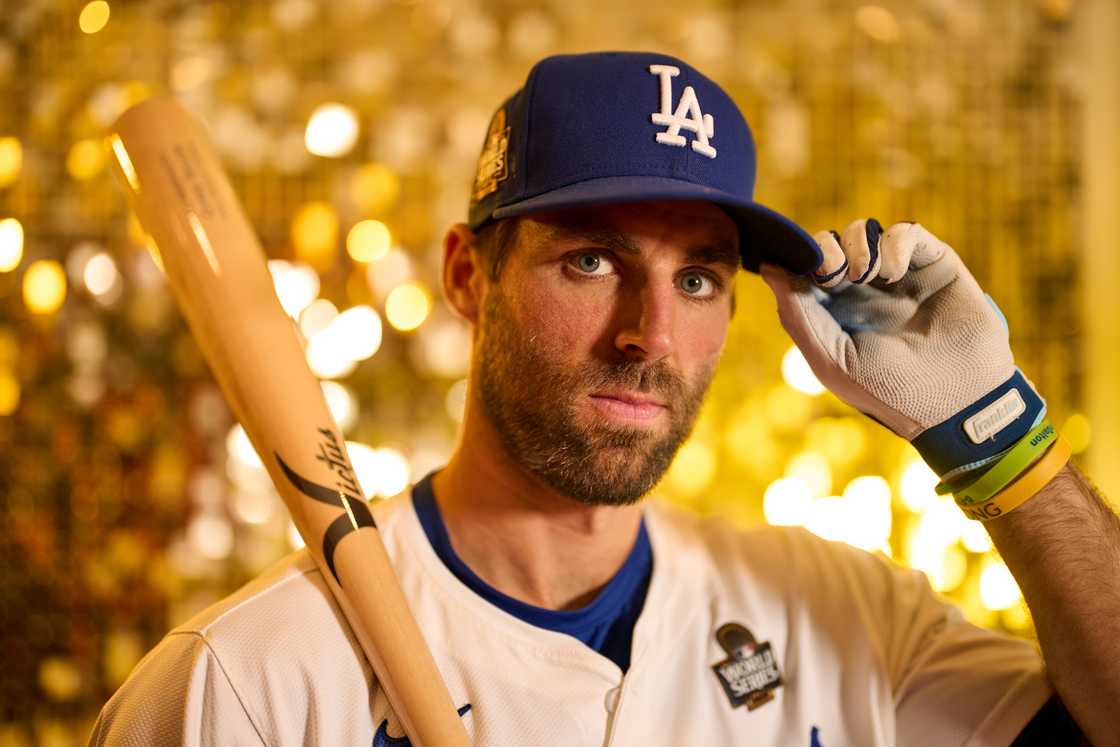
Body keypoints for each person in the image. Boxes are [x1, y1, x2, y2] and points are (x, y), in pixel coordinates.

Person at [89, 51, 1117, 746]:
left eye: (700, 278)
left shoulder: (852, 620)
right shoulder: (243, 687)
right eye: (589, 260)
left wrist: (1005, 445)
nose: (650, 336)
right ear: (464, 276)